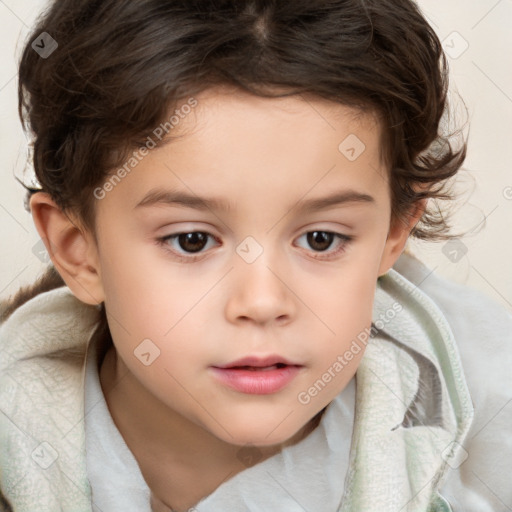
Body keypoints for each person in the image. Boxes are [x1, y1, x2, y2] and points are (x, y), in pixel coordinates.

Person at [1, 0, 511, 511]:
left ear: (392, 236)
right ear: (79, 252)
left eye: (321, 239)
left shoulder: (487, 440)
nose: (263, 302)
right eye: (192, 240)